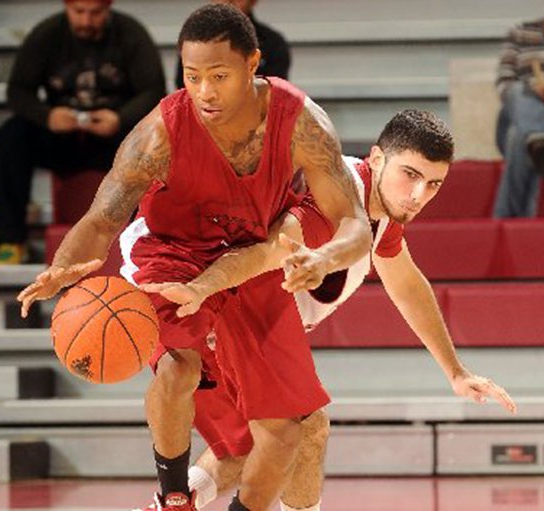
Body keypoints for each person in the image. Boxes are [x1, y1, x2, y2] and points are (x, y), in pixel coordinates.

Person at [18, 4, 370, 511]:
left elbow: (355, 223)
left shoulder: (301, 124)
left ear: (253, 64)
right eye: (192, 76)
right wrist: (62, 267)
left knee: (289, 429)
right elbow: (101, 218)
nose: (204, 91)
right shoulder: (159, 133)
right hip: (170, 254)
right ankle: (175, 494)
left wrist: (325, 257)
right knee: (178, 367)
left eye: (219, 76)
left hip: (252, 256)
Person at [148, 110, 518, 510]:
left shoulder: (379, 212)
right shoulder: (333, 196)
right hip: (213, 313)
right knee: (304, 429)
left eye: (433, 184)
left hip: (223, 313)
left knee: (253, 444)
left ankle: (172, 503)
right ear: (376, 158)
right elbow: (266, 251)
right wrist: (203, 291)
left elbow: (408, 285)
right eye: (409, 175)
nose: (418, 195)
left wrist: (456, 372)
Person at [0, 0, 166, 265]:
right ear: (67, 7)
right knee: (12, 135)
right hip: (62, 137)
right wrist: (47, 117)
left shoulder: (130, 33)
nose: (86, 21)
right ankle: (10, 239)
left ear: (108, 8)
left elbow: (154, 90)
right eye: (79, 12)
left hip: (114, 140)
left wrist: (120, 118)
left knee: (154, 140)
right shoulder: (47, 34)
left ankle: (147, 241)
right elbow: (18, 91)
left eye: (94, 13)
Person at [494, 0, 544, 218]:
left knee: (520, 139)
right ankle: (540, 137)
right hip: (522, 111)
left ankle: (507, 224)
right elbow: (504, 83)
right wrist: (538, 92)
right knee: (518, 91)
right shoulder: (521, 32)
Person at [174, 0, 290, 89]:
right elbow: (182, 89)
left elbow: (274, 94)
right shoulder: (193, 40)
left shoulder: (273, 42)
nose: (229, 1)